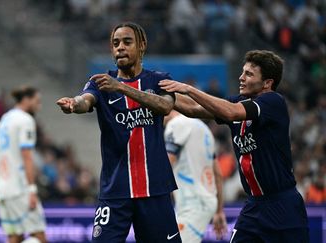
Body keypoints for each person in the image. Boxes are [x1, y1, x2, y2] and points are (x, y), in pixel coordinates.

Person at [159, 50, 309, 242]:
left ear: (267, 83)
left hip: (283, 205)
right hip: (254, 206)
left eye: (249, 74)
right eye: (242, 72)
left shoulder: (273, 102)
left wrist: (188, 88)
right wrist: (159, 93)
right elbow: (192, 109)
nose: (241, 77)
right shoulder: (237, 102)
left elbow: (230, 113)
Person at [56, 22, 181, 242]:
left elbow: (165, 106)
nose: (120, 47)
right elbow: (86, 100)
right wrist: (74, 104)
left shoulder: (159, 79)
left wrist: (122, 87)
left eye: (126, 42)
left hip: (154, 189)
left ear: (142, 45)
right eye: (115, 43)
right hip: (116, 189)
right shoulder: (101, 83)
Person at [164, 110, 227, 242]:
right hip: (205, 202)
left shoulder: (176, 124)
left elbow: (166, 165)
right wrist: (219, 210)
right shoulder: (204, 129)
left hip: (192, 204)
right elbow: (218, 174)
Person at [0, 85, 47, 243]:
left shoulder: (4, 119)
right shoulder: (25, 120)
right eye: (37, 101)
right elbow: (27, 156)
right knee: (39, 236)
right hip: (19, 189)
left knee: (14, 237)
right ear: (26, 100)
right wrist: (31, 189)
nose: (39, 106)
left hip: (3, 188)